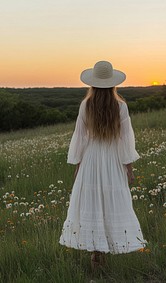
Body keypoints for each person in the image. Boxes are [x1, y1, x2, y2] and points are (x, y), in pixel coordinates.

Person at [59, 61, 146, 270]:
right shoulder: (120, 106)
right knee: (110, 200)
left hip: (91, 159)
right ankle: (104, 247)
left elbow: (79, 137)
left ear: (93, 83)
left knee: (92, 202)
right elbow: (126, 140)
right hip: (112, 159)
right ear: (113, 83)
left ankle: (96, 252)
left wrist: (77, 165)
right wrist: (129, 168)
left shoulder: (85, 105)